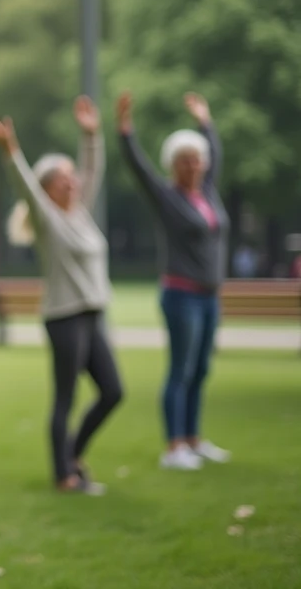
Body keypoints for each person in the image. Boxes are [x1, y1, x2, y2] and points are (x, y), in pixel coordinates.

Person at [0, 98, 123, 495]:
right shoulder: (48, 218)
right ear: (47, 190)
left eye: (71, 177)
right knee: (66, 398)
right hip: (64, 316)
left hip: (92, 313)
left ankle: (72, 455)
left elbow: (93, 170)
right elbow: (25, 186)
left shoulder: (80, 212)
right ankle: (64, 476)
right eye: (63, 179)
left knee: (113, 391)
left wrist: (91, 135)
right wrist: (12, 153)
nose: (72, 182)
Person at [116, 91, 231, 470]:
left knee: (201, 370)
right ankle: (174, 447)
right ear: (174, 165)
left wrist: (205, 120)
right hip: (182, 296)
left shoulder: (208, 193)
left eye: (197, 158)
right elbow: (141, 170)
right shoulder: (168, 197)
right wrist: (125, 131)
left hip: (210, 297)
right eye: (184, 160)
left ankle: (194, 440)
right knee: (180, 371)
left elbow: (216, 151)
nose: (193, 165)